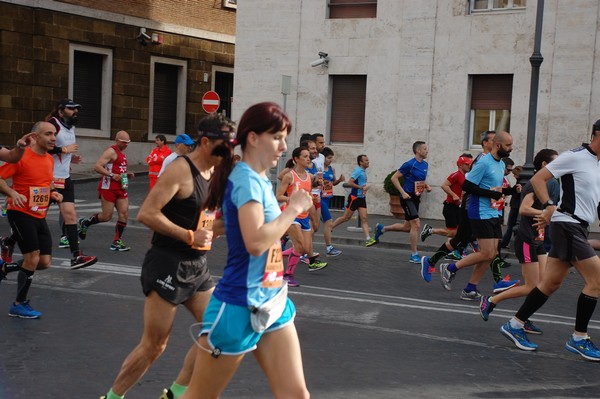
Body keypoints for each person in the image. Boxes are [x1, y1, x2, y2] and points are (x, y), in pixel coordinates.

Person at [180, 102, 312, 398]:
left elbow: (234, 226)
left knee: (296, 395)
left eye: (285, 137)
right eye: (277, 137)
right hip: (239, 305)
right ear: (253, 137)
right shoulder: (246, 180)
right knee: (200, 396)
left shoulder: (259, 180)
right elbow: (255, 242)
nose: (284, 145)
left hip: (273, 300)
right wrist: (292, 210)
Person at [100, 114, 234, 399]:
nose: (230, 152)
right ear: (206, 142)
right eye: (225, 145)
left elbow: (208, 224)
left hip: (197, 266)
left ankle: (175, 393)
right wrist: (188, 235)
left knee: (220, 331)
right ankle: (112, 397)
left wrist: (247, 224)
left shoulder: (216, 174)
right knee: (155, 345)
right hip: (167, 263)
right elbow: (147, 213)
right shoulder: (180, 170)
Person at [499, 123, 600, 361]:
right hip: (568, 225)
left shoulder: (597, 163)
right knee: (596, 281)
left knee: (550, 283)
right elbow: (538, 179)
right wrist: (548, 206)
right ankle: (579, 338)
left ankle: (514, 324)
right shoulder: (575, 157)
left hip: (580, 228)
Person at [479, 149, 558, 335]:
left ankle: (524, 317)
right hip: (526, 239)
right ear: (545, 165)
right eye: (557, 161)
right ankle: (490, 301)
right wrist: (546, 213)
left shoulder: (550, 183)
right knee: (532, 286)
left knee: (544, 284)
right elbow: (524, 209)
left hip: (538, 239)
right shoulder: (534, 184)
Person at [436, 131, 519, 300]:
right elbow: (467, 185)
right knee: (486, 253)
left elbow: (495, 189)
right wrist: (491, 195)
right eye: (508, 145)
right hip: (479, 212)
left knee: (491, 254)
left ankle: (470, 288)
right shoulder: (484, 163)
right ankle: (450, 268)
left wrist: (512, 190)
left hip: (494, 211)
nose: (511, 148)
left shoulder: (501, 164)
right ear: (498, 145)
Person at [0, 121, 62, 318]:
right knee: (32, 258)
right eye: (48, 134)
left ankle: (3, 268)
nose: (53, 138)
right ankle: (18, 304)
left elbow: (45, 183)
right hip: (20, 212)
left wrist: (53, 193)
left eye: (54, 134)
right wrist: (12, 193)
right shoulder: (22, 157)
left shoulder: (50, 159)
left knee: (44, 262)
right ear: (35, 137)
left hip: (39, 214)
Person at [46, 98, 97, 269]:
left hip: (65, 178)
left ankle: (76, 256)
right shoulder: (52, 124)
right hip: (48, 179)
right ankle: (9, 241)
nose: (75, 111)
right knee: (35, 217)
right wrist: (63, 150)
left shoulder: (71, 127)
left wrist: (70, 158)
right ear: (60, 111)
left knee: (71, 216)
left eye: (77, 109)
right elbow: (41, 146)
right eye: (71, 109)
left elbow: (63, 153)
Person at [276, 146, 327, 287]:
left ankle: (274, 255)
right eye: (304, 156)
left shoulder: (310, 177)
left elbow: (307, 196)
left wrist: (312, 200)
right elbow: (278, 195)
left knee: (304, 249)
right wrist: (291, 199)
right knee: (298, 246)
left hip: (304, 216)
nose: (308, 158)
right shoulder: (289, 176)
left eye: (308, 156)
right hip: (292, 214)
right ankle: (288, 275)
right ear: (296, 159)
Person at [373, 141, 432, 262]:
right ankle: (414, 254)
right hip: (407, 198)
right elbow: (394, 178)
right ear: (418, 151)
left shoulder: (425, 165)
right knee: (416, 224)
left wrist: (426, 186)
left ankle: (382, 229)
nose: (427, 151)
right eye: (425, 149)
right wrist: (403, 192)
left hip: (416, 198)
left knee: (406, 227)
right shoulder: (409, 164)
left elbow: (419, 180)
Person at [78, 131, 135, 251]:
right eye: (124, 142)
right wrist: (111, 175)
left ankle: (116, 241)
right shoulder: (111, 151)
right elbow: (97, 166)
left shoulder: (122, 154)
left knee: (124, 214)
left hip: (121, 188)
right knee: (106, 216)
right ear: (117, 140)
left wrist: (126, 174)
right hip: (108, 188)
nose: (126, 145)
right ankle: (85, 223)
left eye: (128, 143)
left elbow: (119, 169)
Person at [420, 154, 472, 242]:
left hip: (458, 207)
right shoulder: (456, 175)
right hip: (450, 207)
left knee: (461, 231)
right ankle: (429, 230)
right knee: (452, 233)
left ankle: (453, 252)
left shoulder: (464, 176)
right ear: (460, 165)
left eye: (469, 164)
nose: (469, 166)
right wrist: (453, 195)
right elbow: (444, 185)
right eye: (466, 164)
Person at [330, 154, 376, 247]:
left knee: (364, 218)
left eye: (368, 160)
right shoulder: (358, 171)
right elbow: (350, 182)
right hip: (354, 198)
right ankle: (330, 227)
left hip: (361, 198)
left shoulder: (363, 171)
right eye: (366, 160)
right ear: (361, 162)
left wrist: (364, 188)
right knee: (346, 218)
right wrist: (360, 187)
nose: (368, 162)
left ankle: (368, 239)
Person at [321, 147, 345, 257]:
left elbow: (333, 182)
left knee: (314, 226)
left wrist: (339, 180)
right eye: (328, 158)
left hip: (328, 199)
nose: (330, 160)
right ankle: (329, 248)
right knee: (329, 223)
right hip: (320, 199)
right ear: (323, 158)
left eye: (331, 158)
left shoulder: (331, 169)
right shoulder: (319, 169)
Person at [500, 164, 523, 249]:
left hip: (515, 206)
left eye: (514, 174)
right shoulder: (521, 182)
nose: (512, 175)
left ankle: (504, 242)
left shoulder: (519, 183)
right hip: (516, 206)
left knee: (510, 225)